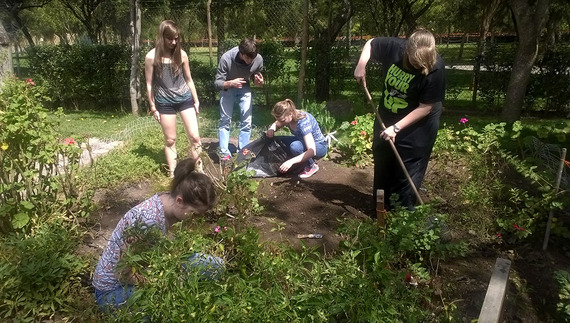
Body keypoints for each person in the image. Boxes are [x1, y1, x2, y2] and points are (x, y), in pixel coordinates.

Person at [92, 158, 223, 312]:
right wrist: (161, 283)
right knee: (168, 307)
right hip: (113, 291)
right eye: (195, 213)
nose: (196, 219)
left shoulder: (167, 201)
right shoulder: (148, 222)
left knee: (215, 265)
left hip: (143, 271)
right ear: (180, 201)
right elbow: (123, 273)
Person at [353, 28, 446, 211]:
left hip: (419, 125)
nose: (419, 67)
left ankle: (402, 216)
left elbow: (426, 107)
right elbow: (371, 43)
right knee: (383, 160)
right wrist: (361, 65)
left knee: (407, 171)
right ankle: (381, 209)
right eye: (415, 62)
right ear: (407, 51)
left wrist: (396, 128)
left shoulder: (436, 68)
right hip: (388, 116)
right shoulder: (396, 47)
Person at [145, 20, 202, 177]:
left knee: (195, 137)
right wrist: (153, 107)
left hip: (185, 99)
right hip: (164, 103)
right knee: (170, 139)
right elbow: (149, 84)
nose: (173, 42)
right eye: (170, 38)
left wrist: (196, 101)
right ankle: (173, 174)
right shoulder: (151, 57)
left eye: (176, 38)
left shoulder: (182, 54)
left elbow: (189, 79)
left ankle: (198, 170)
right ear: (161, 37)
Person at [214, 38, 264, 159]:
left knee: (247, 121)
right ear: (241, 53)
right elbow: (217, 83)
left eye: (253, 58)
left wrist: (259, 82)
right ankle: (224, 152)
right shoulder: (226, 58)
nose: (250, 61)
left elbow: (256, 75)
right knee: (225, 120)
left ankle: (243, 151)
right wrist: (231, 83)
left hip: (244, 87)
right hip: (228, 88)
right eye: (247, 58)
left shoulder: (258, 59)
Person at [266, 99, 327, 179]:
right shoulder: (288, 116)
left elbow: (312, 151)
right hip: (303, 142)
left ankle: (312, 166)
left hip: (319, 146)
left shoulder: (303, 122)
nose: (281, 122)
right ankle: (300, 162)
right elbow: (277, 124)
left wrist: (290, 162)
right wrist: (271, 129)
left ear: (290, 114)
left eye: (283, 120)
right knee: (279, 140)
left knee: (295, 147)